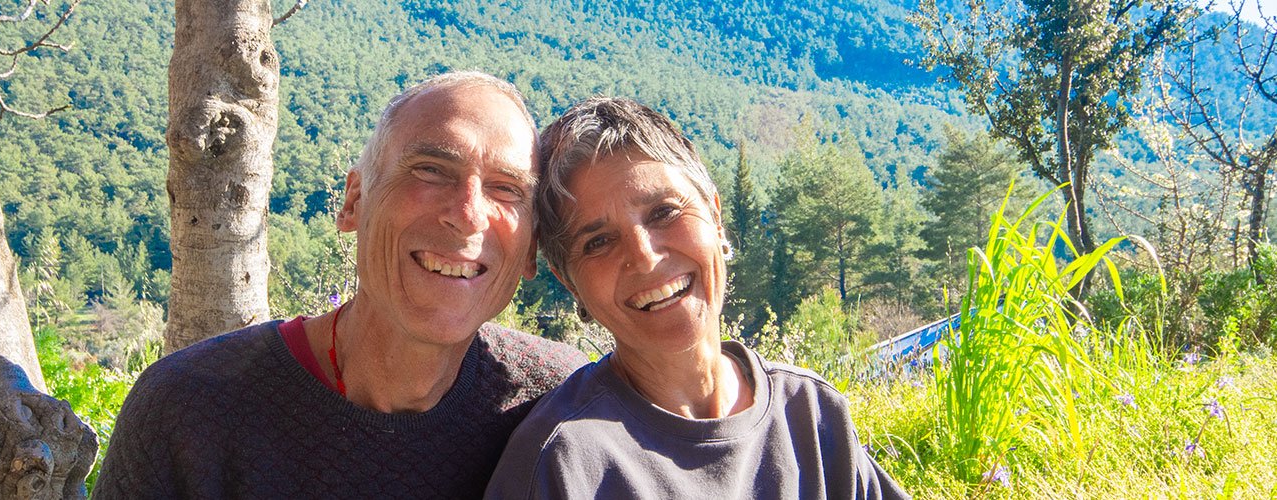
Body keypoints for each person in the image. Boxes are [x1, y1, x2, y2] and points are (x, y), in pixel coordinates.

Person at [93, 71, 588, 498]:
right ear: (354, 203)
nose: (468, 216)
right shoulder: (191, 408)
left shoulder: (561, 403)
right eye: (431, 171)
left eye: (506, 189)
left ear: (530, 250)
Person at [484, 97, 907, 499]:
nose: (645, 257)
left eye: (664, 212)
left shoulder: (810, 415)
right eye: (598, 242)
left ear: (715, 218)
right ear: (570, 281)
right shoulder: (561, 462)